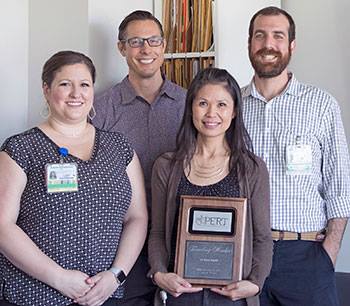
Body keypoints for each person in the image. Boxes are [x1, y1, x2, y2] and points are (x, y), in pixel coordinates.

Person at [0, 50, 148, 306]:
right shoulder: (20, 148)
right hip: (36, 296)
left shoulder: (119, 147)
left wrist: (116, 275)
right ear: (46, 90)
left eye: (84, 85)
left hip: (105, 295)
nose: (76, 94)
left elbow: (137, 217)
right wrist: (59, 278)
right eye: (65, 84)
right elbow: (2, 226)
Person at [242, 6, 350, 306]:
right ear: (249, 43)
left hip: (306, 256)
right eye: (260, 35)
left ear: (291, 45)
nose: (268, 44)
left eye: (278, 35)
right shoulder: (233, 107)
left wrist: (328, 253)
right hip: (245, 254)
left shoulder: (322, 105)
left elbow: (340, 185)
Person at [148, 67, 273, 306]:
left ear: (235, 111)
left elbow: (263, 238)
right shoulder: (165, 166)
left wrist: (255, 283)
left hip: (232, 298)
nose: (211, 113)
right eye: (203, 103)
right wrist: (160, 274)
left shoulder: (252, 169)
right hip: (180, 296)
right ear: (191, 108)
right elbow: (158, 232)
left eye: (222, 105)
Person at [92, 10, 186, 306]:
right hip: (120, 243)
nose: (146, 49)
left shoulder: (190, 104)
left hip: (178, 236)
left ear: (164, 45)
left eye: (153, 40)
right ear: (121, 48)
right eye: (135, 41)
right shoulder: (99, 108)